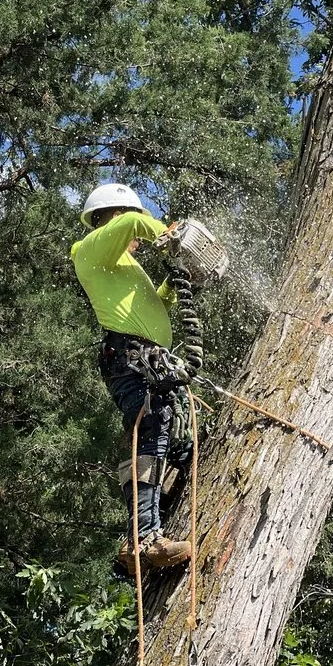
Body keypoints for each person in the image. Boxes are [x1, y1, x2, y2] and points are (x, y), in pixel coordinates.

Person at [71, 182, 191, 574]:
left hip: (151, 360)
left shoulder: (125, 267)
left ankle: (156, 512)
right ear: (114, 215)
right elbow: (136, 224)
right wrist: (169, 234)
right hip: (130, 359)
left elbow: (153, 305)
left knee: (173, 440)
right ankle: (143, 538)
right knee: (150, 424)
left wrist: (174, 285)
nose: (138, 241)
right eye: (129, 222)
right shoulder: (87, 252)